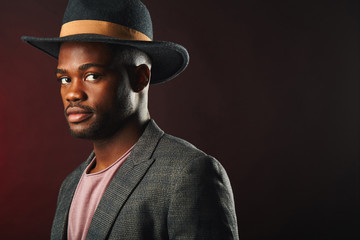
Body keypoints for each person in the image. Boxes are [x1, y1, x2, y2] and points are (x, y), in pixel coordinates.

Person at [22, 0, 239, 239]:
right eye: (64, 79)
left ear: (140, 78)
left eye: (92, 75)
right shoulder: (69, 186)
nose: (73, 93)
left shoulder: (187, 174)